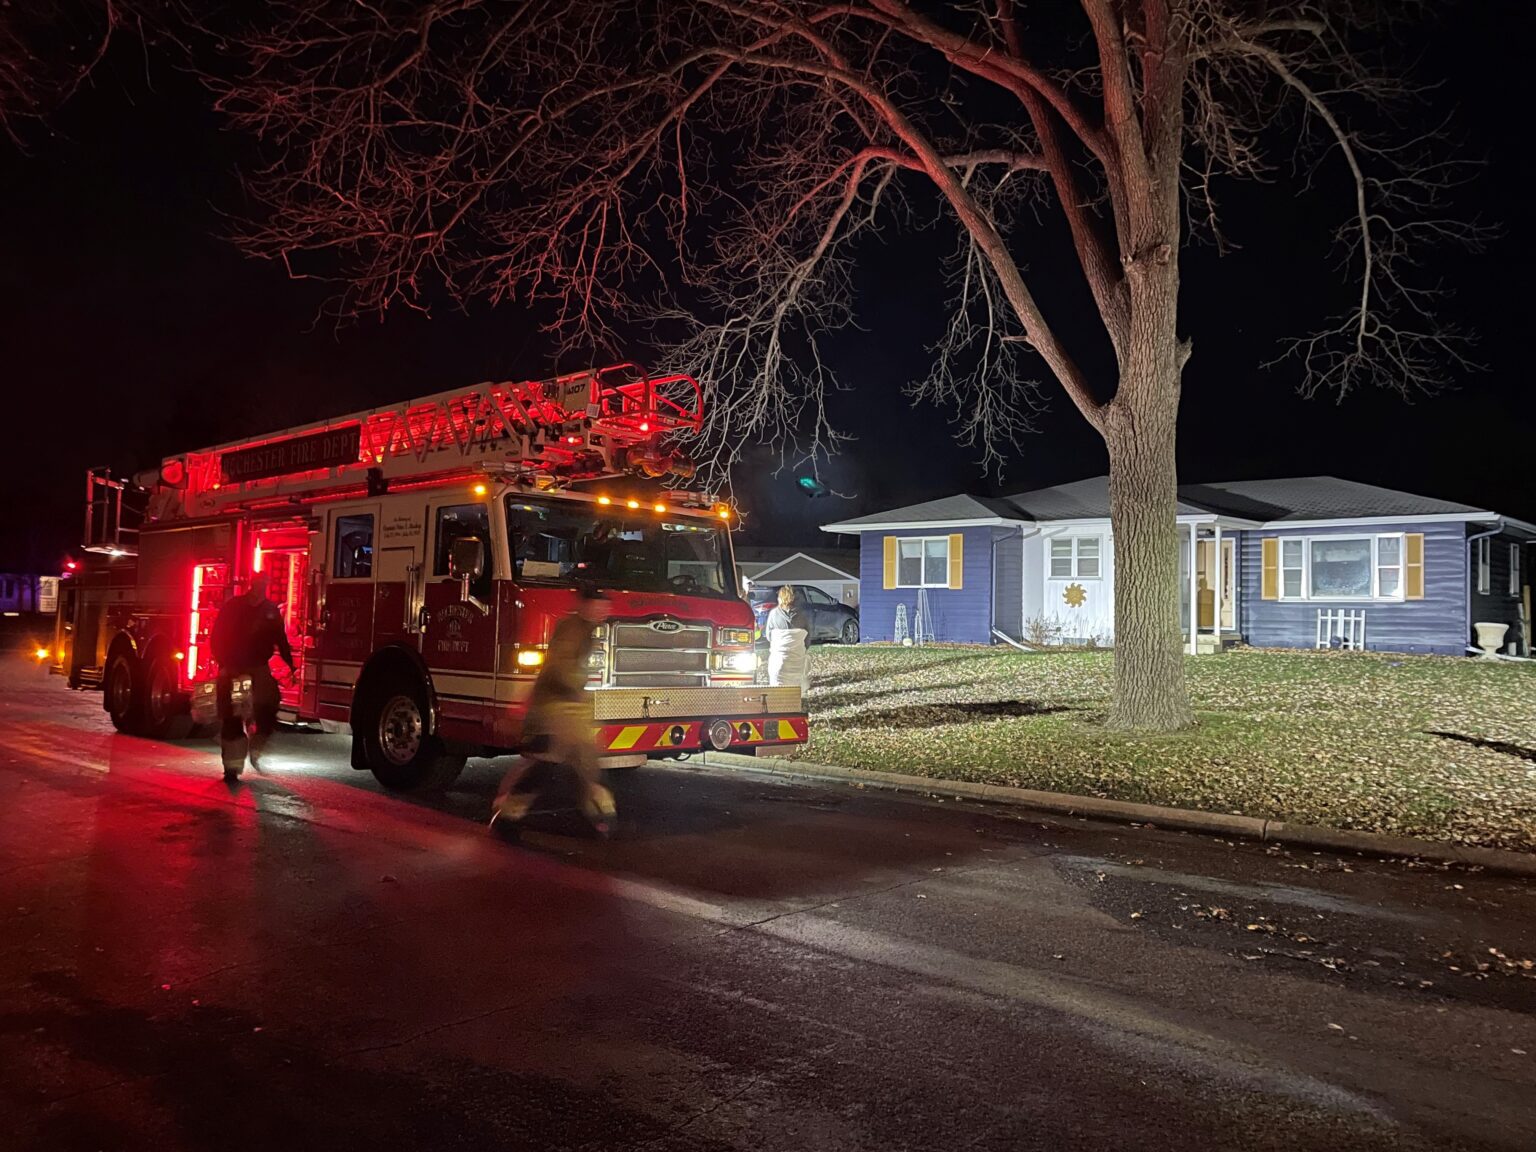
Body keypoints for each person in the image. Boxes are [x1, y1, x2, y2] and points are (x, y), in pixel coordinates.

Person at [491, 587, 616, 836]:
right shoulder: (572, 630)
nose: (604, 610)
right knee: (554, 765)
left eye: (605, 605)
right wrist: (577, 690)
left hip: (564, 709)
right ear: (583, 604)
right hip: (558, 710)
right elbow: (559, 669)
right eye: (598, 604)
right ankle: (598, 818)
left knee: (575, 765)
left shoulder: (584, 630)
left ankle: (598, 817)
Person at [210, 572, 295, 781]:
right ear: (252, 584)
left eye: (265, 584)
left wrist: (291, 664)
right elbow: (218, 635)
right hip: (234, 669)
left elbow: (280, 639)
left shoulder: (271, 610)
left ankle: (257, 743)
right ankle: (232, 768)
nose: (261, 588)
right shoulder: (234, 607)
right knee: (233, 717)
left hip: (259, 667)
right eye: (258, 583)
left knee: (269, 705)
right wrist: (224, 664)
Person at [764, 585, 810, 692]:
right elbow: (807, 638)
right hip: (797, 663)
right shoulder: (802, 616)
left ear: (780, 598)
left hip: (779, 662)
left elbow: (769, 636)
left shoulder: (774, 614)